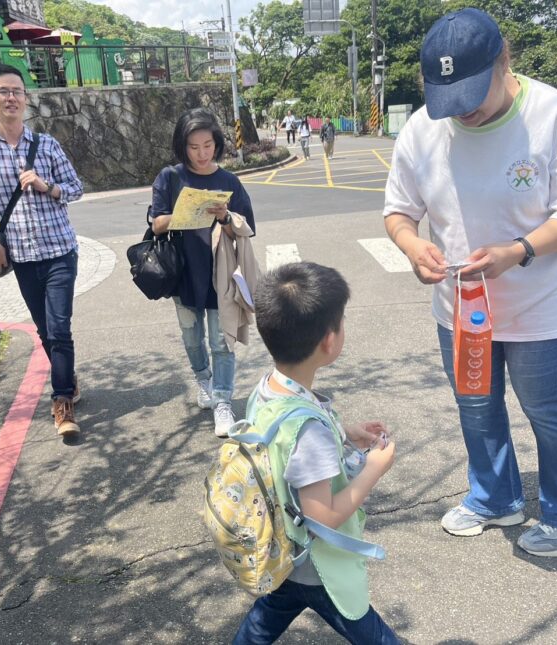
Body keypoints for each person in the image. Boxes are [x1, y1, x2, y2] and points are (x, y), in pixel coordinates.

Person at [383, 8, 557, 557]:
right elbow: (398, 211)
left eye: (472, 97)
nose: (461, 113)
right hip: (459, 307)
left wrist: (519, 251)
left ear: (504, 62)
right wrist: (414, 248)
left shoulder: (555, 116)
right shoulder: (423, 128)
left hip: (538, 304)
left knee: (547, 406)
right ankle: (494, 497)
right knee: (475, 405)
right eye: (449, 100)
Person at [234, 262, 398, 644]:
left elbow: (284, 447)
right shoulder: (309, 430)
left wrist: (346, 434)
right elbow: (322, 517)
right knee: (365, 625)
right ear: (329, 340)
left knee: (266, 619)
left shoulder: (269, 389)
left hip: (282, 550)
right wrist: (374, 468)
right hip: (316, 565)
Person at [0, 64, 84, 437]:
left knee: (60, 327)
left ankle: (62, 400)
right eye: (3, 92)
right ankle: (70, 379)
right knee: (46, 330)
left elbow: (76, 189)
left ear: (26, 99)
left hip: (60, 250)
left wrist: (48, 186)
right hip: (24, 258)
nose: (11, 97)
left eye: (17, 91)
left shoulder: (46, 145)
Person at [150, 108, 256, 437]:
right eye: (194, 147)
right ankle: (203, 380)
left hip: (219, 272)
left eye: (207, 145)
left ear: (217, 144)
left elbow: (246, 228)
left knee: (221, 342)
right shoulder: (169, 177)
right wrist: (184, 212)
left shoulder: (228, 181)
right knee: (192, 339)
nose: (201, 153)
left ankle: (223, 401)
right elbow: (156, 224)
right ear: (183, 146)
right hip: (183, 273)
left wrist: (224, 217)